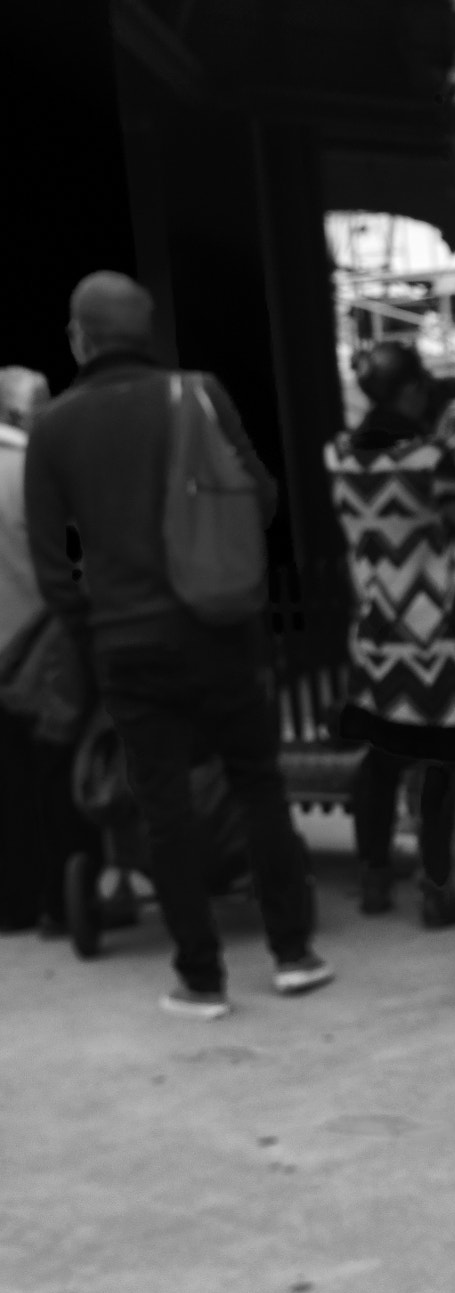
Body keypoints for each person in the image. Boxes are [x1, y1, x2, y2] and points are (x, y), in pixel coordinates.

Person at [25, 273, 329, 1019]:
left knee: (161, 804)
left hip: (126, 641)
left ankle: (201, 976)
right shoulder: (198, 394)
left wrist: (88, 625)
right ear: (147, 331)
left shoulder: (55, 427)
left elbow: (48, 560)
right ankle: (292, 952)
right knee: (257, 782)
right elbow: (260, 496)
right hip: (220, 626)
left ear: (80, 337)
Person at [325, 342, 455, 930]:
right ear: (412, 391)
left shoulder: (337, 455)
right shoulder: (431, 459)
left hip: (376, 629)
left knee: (382, 758)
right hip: (442, 629)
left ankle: (373, 878)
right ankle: (436, 887)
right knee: (441, 762)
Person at [0, 367, 95, 935]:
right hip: (43, 651)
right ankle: (63, 903)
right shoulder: (38, 473)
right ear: (21, 415)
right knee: (58, 777)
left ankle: (13, 904)